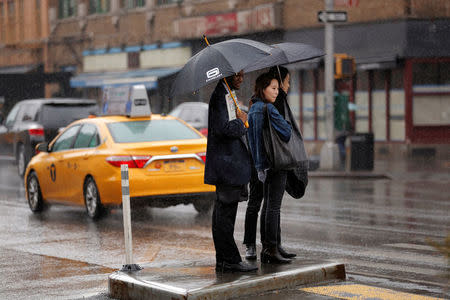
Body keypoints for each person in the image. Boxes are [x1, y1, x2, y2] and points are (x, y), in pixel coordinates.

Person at [204, 70, 258, 273]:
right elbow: (224, 129)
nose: (241, 79)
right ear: (226, 75)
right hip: (226, 165)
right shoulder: (220, 96)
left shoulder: (227, 94)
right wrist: (244, 121)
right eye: (237, 75)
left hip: (229, 165)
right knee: (224, 215)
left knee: (225, 214)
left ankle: (224, 260)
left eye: (243, 75)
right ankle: (230, 260)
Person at [243, 66, 297, 261]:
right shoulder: (267, 108)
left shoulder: (254, 107)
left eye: (277, 88)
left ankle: (268, 247)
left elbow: (254, 139)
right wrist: (286, 122)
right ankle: (270, 249)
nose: (277, 91)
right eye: (273, 88)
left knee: (264, 205)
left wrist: (258, 166)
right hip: (273, 163)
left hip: (261, 164)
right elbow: (286, 132)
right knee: (272, 206)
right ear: (263, 89)